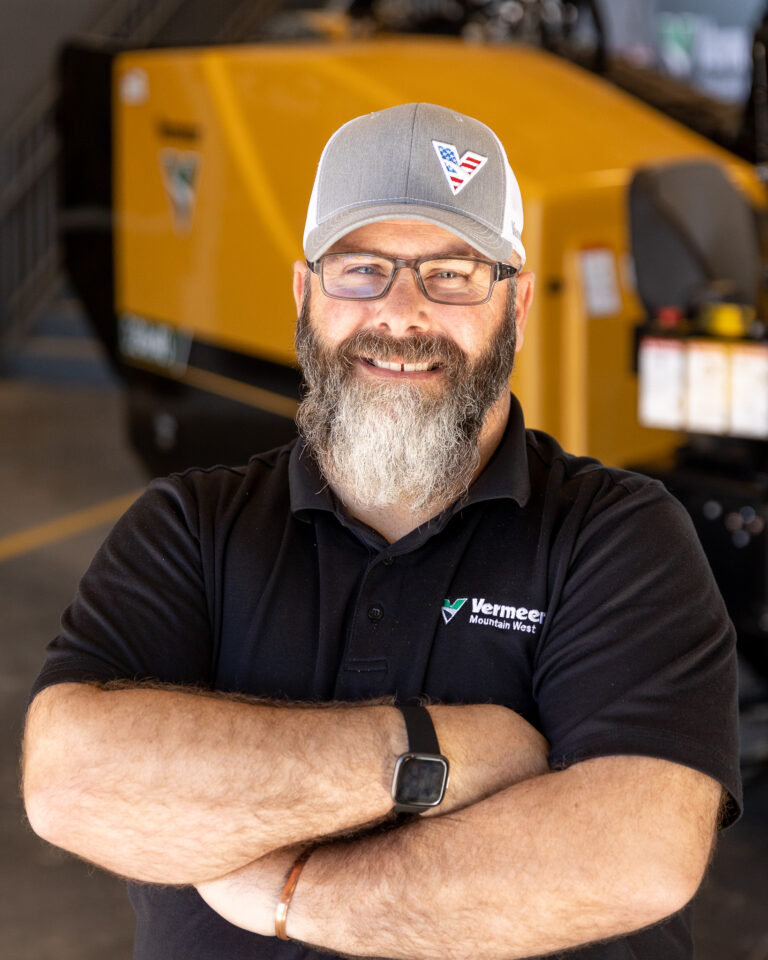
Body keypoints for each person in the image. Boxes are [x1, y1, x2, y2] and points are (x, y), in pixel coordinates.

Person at [22, 102, 739, 960]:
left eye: (452, 274)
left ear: (515, 305)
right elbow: (73, 780)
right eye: (361, 269)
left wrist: (293, 895)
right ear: (305, 294)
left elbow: (634, 856)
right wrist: (438, 751)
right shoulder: (190, 528)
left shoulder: (620, 539)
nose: (401, 315)